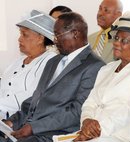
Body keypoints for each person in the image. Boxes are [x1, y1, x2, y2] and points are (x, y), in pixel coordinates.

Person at [2, 12, 105, 142]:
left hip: (54, 133)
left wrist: (34, 127)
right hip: (29, 127)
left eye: (57, 35)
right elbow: (36, 98)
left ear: (75, 33)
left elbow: (77, 111)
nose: (55, 41)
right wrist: (12, 121)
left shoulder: (94, 66)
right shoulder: (54, 61)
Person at [73, 11, 130, 142]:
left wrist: (96, 131)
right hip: (92, 132)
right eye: (116, 38)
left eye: (124, 40)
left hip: (123, 135)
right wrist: (86, 121)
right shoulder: (107, 68)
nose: (116, 43)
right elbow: (90, 102)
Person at [0, 10, 56, 119]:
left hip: (19, 121)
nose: (19, 39)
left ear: (41, 38)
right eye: (20, 33)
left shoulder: (50, 61)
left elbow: (32, 97)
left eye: (24, 34)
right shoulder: (17, 62)